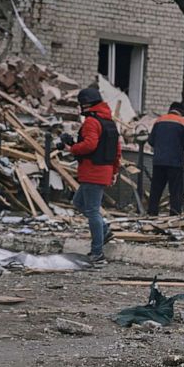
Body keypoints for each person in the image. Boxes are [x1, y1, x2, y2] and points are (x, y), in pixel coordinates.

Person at [61, 88, 121, 261]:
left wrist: (71, 148)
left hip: (92, 171)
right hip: (103, 170)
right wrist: (114, 170)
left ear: (85, 105)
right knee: (79, 202)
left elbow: (89, 145)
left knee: (93, 211)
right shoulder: (109, 123)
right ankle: (104, 231)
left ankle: (97, 252)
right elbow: (117, 150)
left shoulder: (92, 122)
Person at [147, 101, 184, 215]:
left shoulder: (159, 121)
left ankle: (152, 213)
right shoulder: (183, 122)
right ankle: (174, 215)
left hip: (159, 162)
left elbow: (151, 141)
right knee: (175, 191)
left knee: (156, 190)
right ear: (181, 112)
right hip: (175, 163)